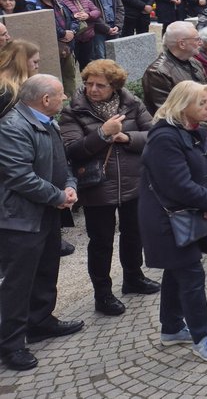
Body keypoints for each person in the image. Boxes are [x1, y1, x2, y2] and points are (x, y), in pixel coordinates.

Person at [58, 60, 158, 317]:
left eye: (100, 85)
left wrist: (127, 137)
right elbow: (72, 150)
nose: (93, 89)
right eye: (89, 84)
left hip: (133, 181)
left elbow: (156, 136)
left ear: (114, 86)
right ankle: (102, 294)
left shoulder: (132, 104)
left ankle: (133, 278)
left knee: (133, 234)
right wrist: (102, 133)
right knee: (101, 242)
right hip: (97, 186)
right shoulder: (74, 111)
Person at [138, 81, 207, 362]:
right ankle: (203, 338)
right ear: (183, 106)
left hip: (189, 214)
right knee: (191, 275)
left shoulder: (197, 133)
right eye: (201, 102)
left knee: (177, 271)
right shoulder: (165, 138)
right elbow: (177, 185)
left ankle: (172, 328)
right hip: (167, 220)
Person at [0, 75, 83, 371]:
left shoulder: (48, 122)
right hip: (19, 219)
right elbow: (19, 176)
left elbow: (63, 164)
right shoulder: (12, 127)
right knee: (18, 284)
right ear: (46, 100)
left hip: (46, 211)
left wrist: (69, 186)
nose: (64, 100)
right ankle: (10, 345)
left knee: (47, 270)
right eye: (61, 96)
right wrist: (58, 195)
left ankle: (40, 321)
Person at [142, 22, 207, 115]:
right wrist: (204, 127)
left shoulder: (195, 63)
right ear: (182, 44)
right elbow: (166, 111)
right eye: (197, 39)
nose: (201, 43)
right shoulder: (157, 72)